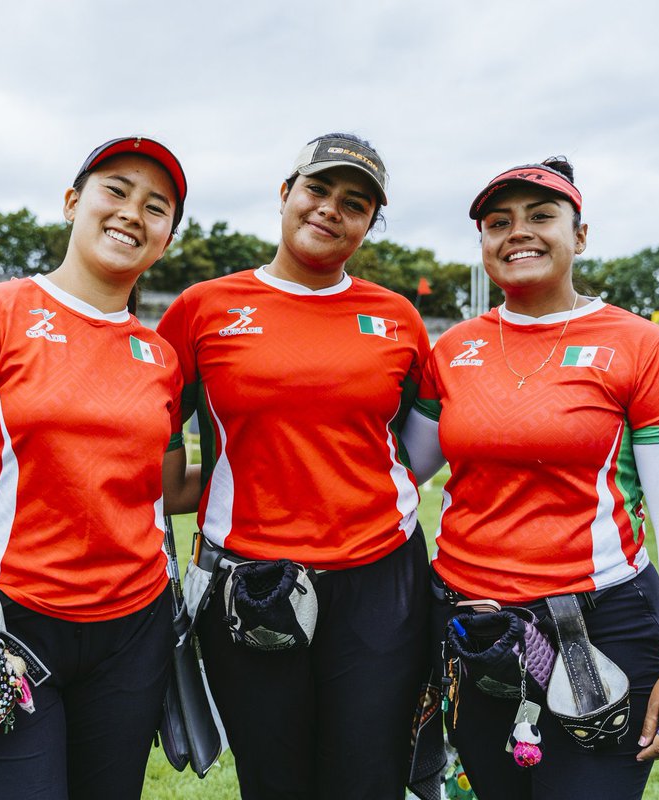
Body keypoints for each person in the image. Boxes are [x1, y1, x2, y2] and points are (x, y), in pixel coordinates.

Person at [0, 136, 199, 799]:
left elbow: (167, 488)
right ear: (72, 203)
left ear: (167, 239)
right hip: (4, 625)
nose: (132, 213)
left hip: (132, 635)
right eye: (116, 190)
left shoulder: (161, 357)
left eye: (156, 207)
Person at [402, 157, 659, 799]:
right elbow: (400, 470)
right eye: (499, 222)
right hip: (471, 628)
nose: (518, 232)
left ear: (579, 235)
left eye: (541, 216)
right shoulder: (452, 349)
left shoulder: (644, 348)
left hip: (598, 627)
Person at [156, 133, 432, 799]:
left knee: (370, 780)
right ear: (285, 193)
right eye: (318, 189)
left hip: (381, 578)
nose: (332, 208)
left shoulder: (396, 318)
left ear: (370, 223)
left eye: (356, 203)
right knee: (275, 782)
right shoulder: (201, 309)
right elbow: (156, 449)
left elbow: (413, 447)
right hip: (251, 580)